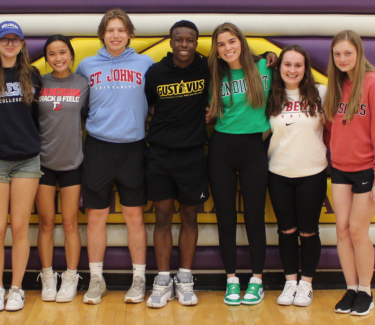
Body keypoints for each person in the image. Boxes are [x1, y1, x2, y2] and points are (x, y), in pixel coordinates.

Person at [75, 8, 154, 305]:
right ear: (102, 35)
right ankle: (96, 280)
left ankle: (138, 279)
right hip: (98, 146)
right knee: (96, 216)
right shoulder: (87, 65)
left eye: (121, 29)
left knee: (134, 216)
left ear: (129, 33)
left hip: (134, 147)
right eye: (110, 30)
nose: (116, 35)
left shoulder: (146, 63)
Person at [325, 30, 375, 316]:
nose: (342, 59)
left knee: (357, 230)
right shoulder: (337, 85)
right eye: (337, 54)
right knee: (341, 229)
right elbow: (332, 128)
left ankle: (366, 291)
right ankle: (351, 288)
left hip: (368, 170)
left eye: (348, 53)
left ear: (359, 53)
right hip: (340, 168)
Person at [143, 20, 210, 308]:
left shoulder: (207, 68)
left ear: (196, 42)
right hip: (159, 155)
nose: (184, 45)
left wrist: (272, 57)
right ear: (171, 43)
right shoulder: (156, 72)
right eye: (179, 40)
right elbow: (149, 106)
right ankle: (161, 279)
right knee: (162, 216)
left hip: (193, 154)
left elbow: (241, 58)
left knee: (190, 217)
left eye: (190, 40)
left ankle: (184, 278)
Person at [206, 22, 273, 306]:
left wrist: (272, 53)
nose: (227, 48)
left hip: (254, 148)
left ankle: (257, 280)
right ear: (217, 51)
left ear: (241, 42)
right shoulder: (214, 73)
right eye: (221, 45)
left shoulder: (265, 67)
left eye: (231, 41)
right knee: (226, 220)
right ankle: (231, 279)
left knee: (255, 219)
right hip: (221, 147)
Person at [0, 21, 43, 312]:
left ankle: (16, 288)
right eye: (3, 39)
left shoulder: (32, 75)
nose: (9, 44)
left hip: (27, 160)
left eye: (14, 39)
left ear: (21, 44)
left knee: (19, 227)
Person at [266, 45, 328, 307]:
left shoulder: (321, 94)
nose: (292, 70)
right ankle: (290, 282)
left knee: (308, 232)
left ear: (306, 68)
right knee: (286, 231)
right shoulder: (270, 95)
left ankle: (306, 285)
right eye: (287, 64)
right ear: (279, 68)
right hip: (278, 172)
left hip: (312, 172)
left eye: (298, 65)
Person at [35, 34, 89, 303]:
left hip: (72, 164)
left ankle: (70, 277)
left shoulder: (82, 83)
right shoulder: (38, 83)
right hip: (42, 163)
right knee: (46, 223)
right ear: (46, 58)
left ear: (71, 55)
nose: (58, 58)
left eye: (63, 52)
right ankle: (47, 276)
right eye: (52, 53)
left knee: (69, 223)